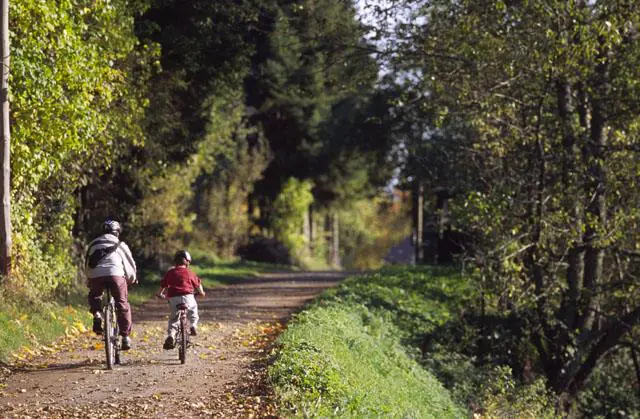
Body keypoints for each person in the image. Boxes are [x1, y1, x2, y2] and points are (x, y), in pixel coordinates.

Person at [86, 219, 137, 350]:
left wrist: (89, 278)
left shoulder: (93, 243)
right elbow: (129, 264)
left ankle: (97, 313)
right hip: (115, 275)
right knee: (122, 303)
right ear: (117, 232)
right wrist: (132, 279)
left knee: (95, 295)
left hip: (95, 275)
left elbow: (87, 263)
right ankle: (125, 336)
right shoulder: (120, 244)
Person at [159, 250, 205, 350]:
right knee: (193, 311)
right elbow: (198, 285)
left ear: (175, 262)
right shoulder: (190, 273)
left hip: (173, 298)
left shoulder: (170, 272)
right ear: (188, 262)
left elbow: (163, 285)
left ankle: (171, 335)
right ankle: (193, 326)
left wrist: (160, 293)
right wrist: (201, 293)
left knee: (174, 318)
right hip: (188, 297)